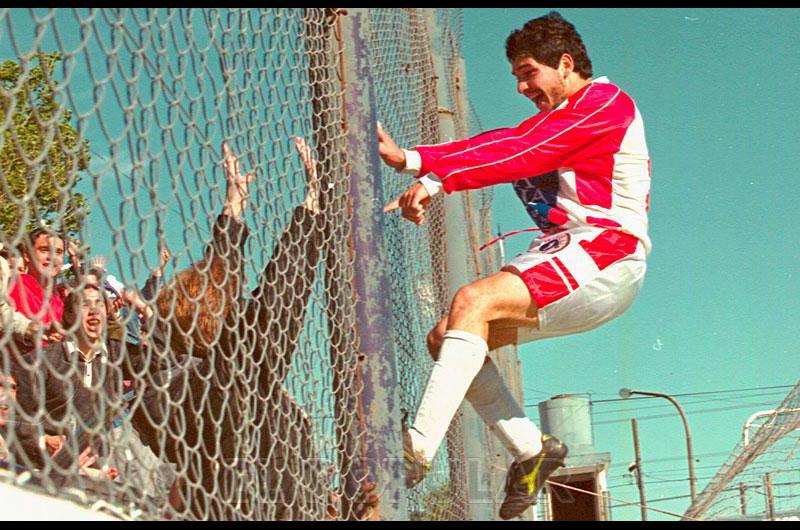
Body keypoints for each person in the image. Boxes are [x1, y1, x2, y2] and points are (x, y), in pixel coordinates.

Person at [378, 11, 651, 519]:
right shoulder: (563, 118)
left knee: (471, 300)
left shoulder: (604, 103)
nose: (523, 86)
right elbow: (507, 142)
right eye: (517, 77)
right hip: (570, 249)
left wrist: (427, 172)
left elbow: (522, 151)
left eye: (529, 73)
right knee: (448, 335)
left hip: (605, 249)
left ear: (565, 64)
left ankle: (414, 451)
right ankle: (531, 449)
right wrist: (425, 170)